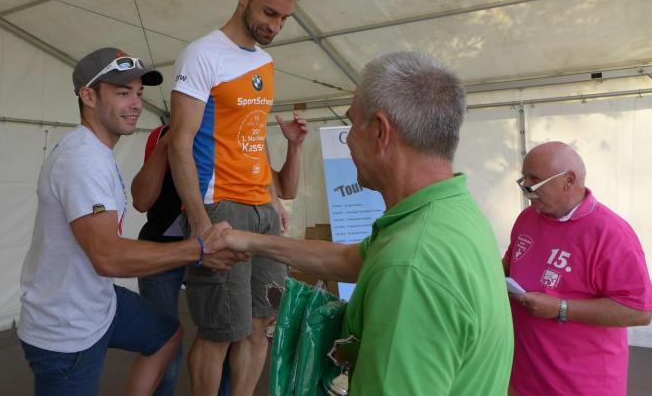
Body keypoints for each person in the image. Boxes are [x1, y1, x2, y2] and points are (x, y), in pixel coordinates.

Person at [207, 51, 515, 394]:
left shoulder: (409, 266)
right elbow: (349, 259)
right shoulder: (450, 212)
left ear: (380, 131)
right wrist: (251, 241)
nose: (349, 139)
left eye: (351, 124)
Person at [17, 47, 242, 396]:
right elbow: (108, 257)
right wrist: (198, 249)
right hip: (66, 330)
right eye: (123, 93)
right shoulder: (82, 160)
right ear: (88, 96)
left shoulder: (96, 151)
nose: (136, 104)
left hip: (98, 303)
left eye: (138, 93)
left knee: (166, 334)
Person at [166, 0, 304, 395]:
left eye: (284, 19)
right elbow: (179, 143)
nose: (276, 26)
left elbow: (253, 137)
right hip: (220, 207)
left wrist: (273, 200)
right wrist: (200, 223)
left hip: (262, 209)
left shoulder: (264, 62)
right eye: (269, 13)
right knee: (220, 330)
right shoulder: (201, 55)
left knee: (261, 323)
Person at [130, 112, 307, 396]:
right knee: (164, 344)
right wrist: (169, 142)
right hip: (166, 249)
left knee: (232, 331)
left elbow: (284, 188)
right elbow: (141, 201)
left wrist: (294, 148)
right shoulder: (168, 135)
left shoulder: (239, 137)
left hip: (218, 245)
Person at [504, 141, 652, 396]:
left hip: (581, 385)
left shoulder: (610, 234)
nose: (526, 188)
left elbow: (639, 311)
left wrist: (561, 308)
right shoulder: (527, 218)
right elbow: (510, 264)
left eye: (534, 180)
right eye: (523, 178)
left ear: (569, 180)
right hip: (524, 378)